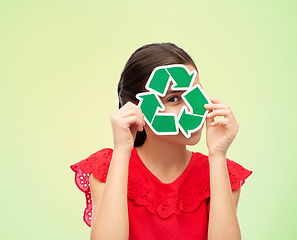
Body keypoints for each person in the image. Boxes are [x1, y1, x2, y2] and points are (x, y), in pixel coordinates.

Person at [70, 42, 252, 240]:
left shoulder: (222, 172)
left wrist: (217, 155)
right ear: (137, 108)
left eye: (195, 94)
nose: (194, 108)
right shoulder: (106, 168)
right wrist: (122, 150)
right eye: (173, 99)